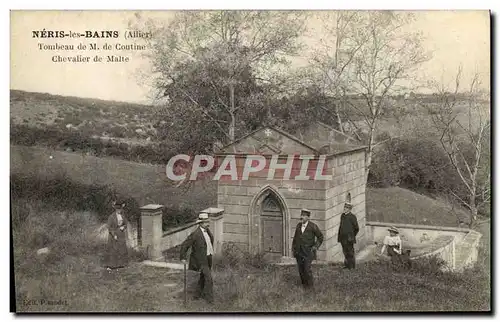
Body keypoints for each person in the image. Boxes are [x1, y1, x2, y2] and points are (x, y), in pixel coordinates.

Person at [180, 213, 215, 303]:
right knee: (209, 279)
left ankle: (196, 295)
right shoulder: (196, 234)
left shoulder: (208, 231)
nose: (208, 223)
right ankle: (210, 300)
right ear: (201, 223)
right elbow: (185, 245)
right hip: (201, 260)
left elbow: (209, 242)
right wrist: (183, 257)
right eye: (205, 222)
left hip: (208, 258)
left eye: (207, 221)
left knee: (203, 277)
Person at [292, 208, 324, 290]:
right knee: (301, 270)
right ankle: (304, 286)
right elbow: (295, 238)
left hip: (308, 252)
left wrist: (315, 246)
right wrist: (294, 249)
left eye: (304, 216)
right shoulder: (298, 226)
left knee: (307, 270)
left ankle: (310, 288)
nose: (302, 217)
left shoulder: (313, 226)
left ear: (308, 217)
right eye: (301, 215)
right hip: (299, 252)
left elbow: (320, 237)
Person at [105, 199, 129, 271]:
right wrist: (113, 235)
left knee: (122, 249)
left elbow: (126, 223)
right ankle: (112, 265)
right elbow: (109, 227)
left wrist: (123, 227)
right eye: (118, 209)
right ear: (115, 209)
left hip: (121, 234)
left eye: (120, 209)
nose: (119, 210)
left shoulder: (122, 215)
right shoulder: (111, 217)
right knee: (113, 250)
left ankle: (121, 264)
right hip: (114, 235)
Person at [337, 202, 359, 269]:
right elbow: (341, 226)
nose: (345, 209)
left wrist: (352, 236)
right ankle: (347, 265)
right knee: (345, 252)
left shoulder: (352, 217)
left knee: (350, 252)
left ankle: (352, 267)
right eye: (345, 207)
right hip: (342, 238)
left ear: (350, 209)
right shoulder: (342, 216)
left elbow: (356, 228)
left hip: (349, 239)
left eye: (346, 208)